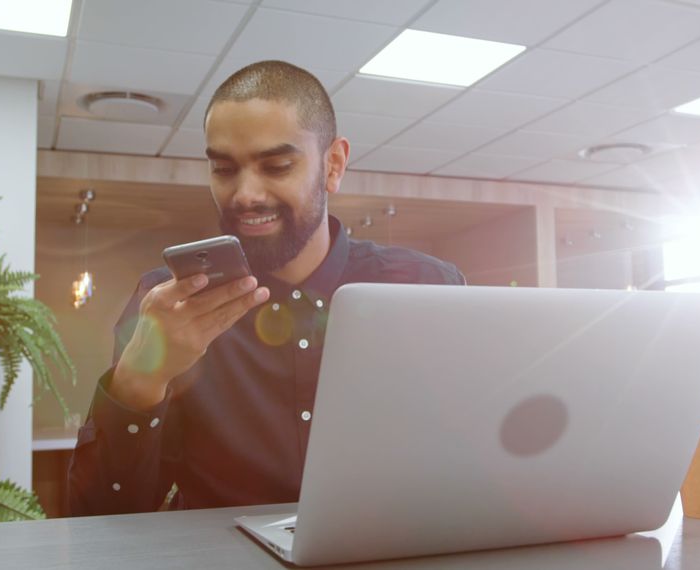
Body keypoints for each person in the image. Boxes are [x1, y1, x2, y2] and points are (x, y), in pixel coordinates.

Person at [68, 61, 465, 515]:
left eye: (276, 166)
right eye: (223, 169)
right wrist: (138, 381)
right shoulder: (169, 306)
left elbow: (476, 464)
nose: (244, 195)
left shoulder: (427, 288)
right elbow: (97, 519)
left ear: (333, 165)